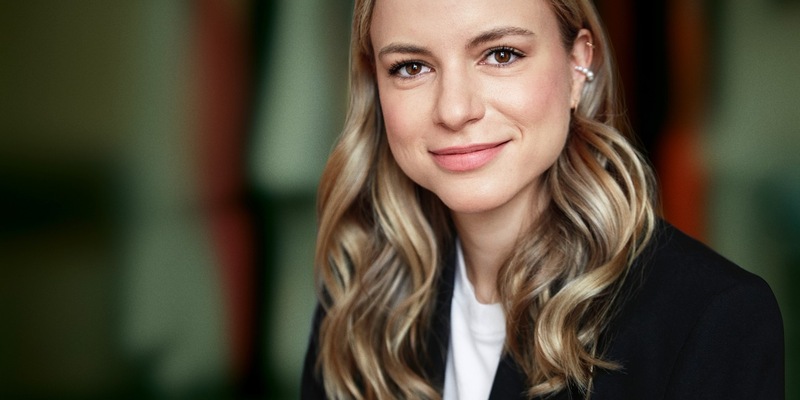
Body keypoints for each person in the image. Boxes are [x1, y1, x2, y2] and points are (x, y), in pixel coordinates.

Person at [301, 0, 784, 398]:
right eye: (411, 67)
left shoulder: (712, 318)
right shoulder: (357, 294)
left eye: (501, 55)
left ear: (579, 64)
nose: (454, 109)